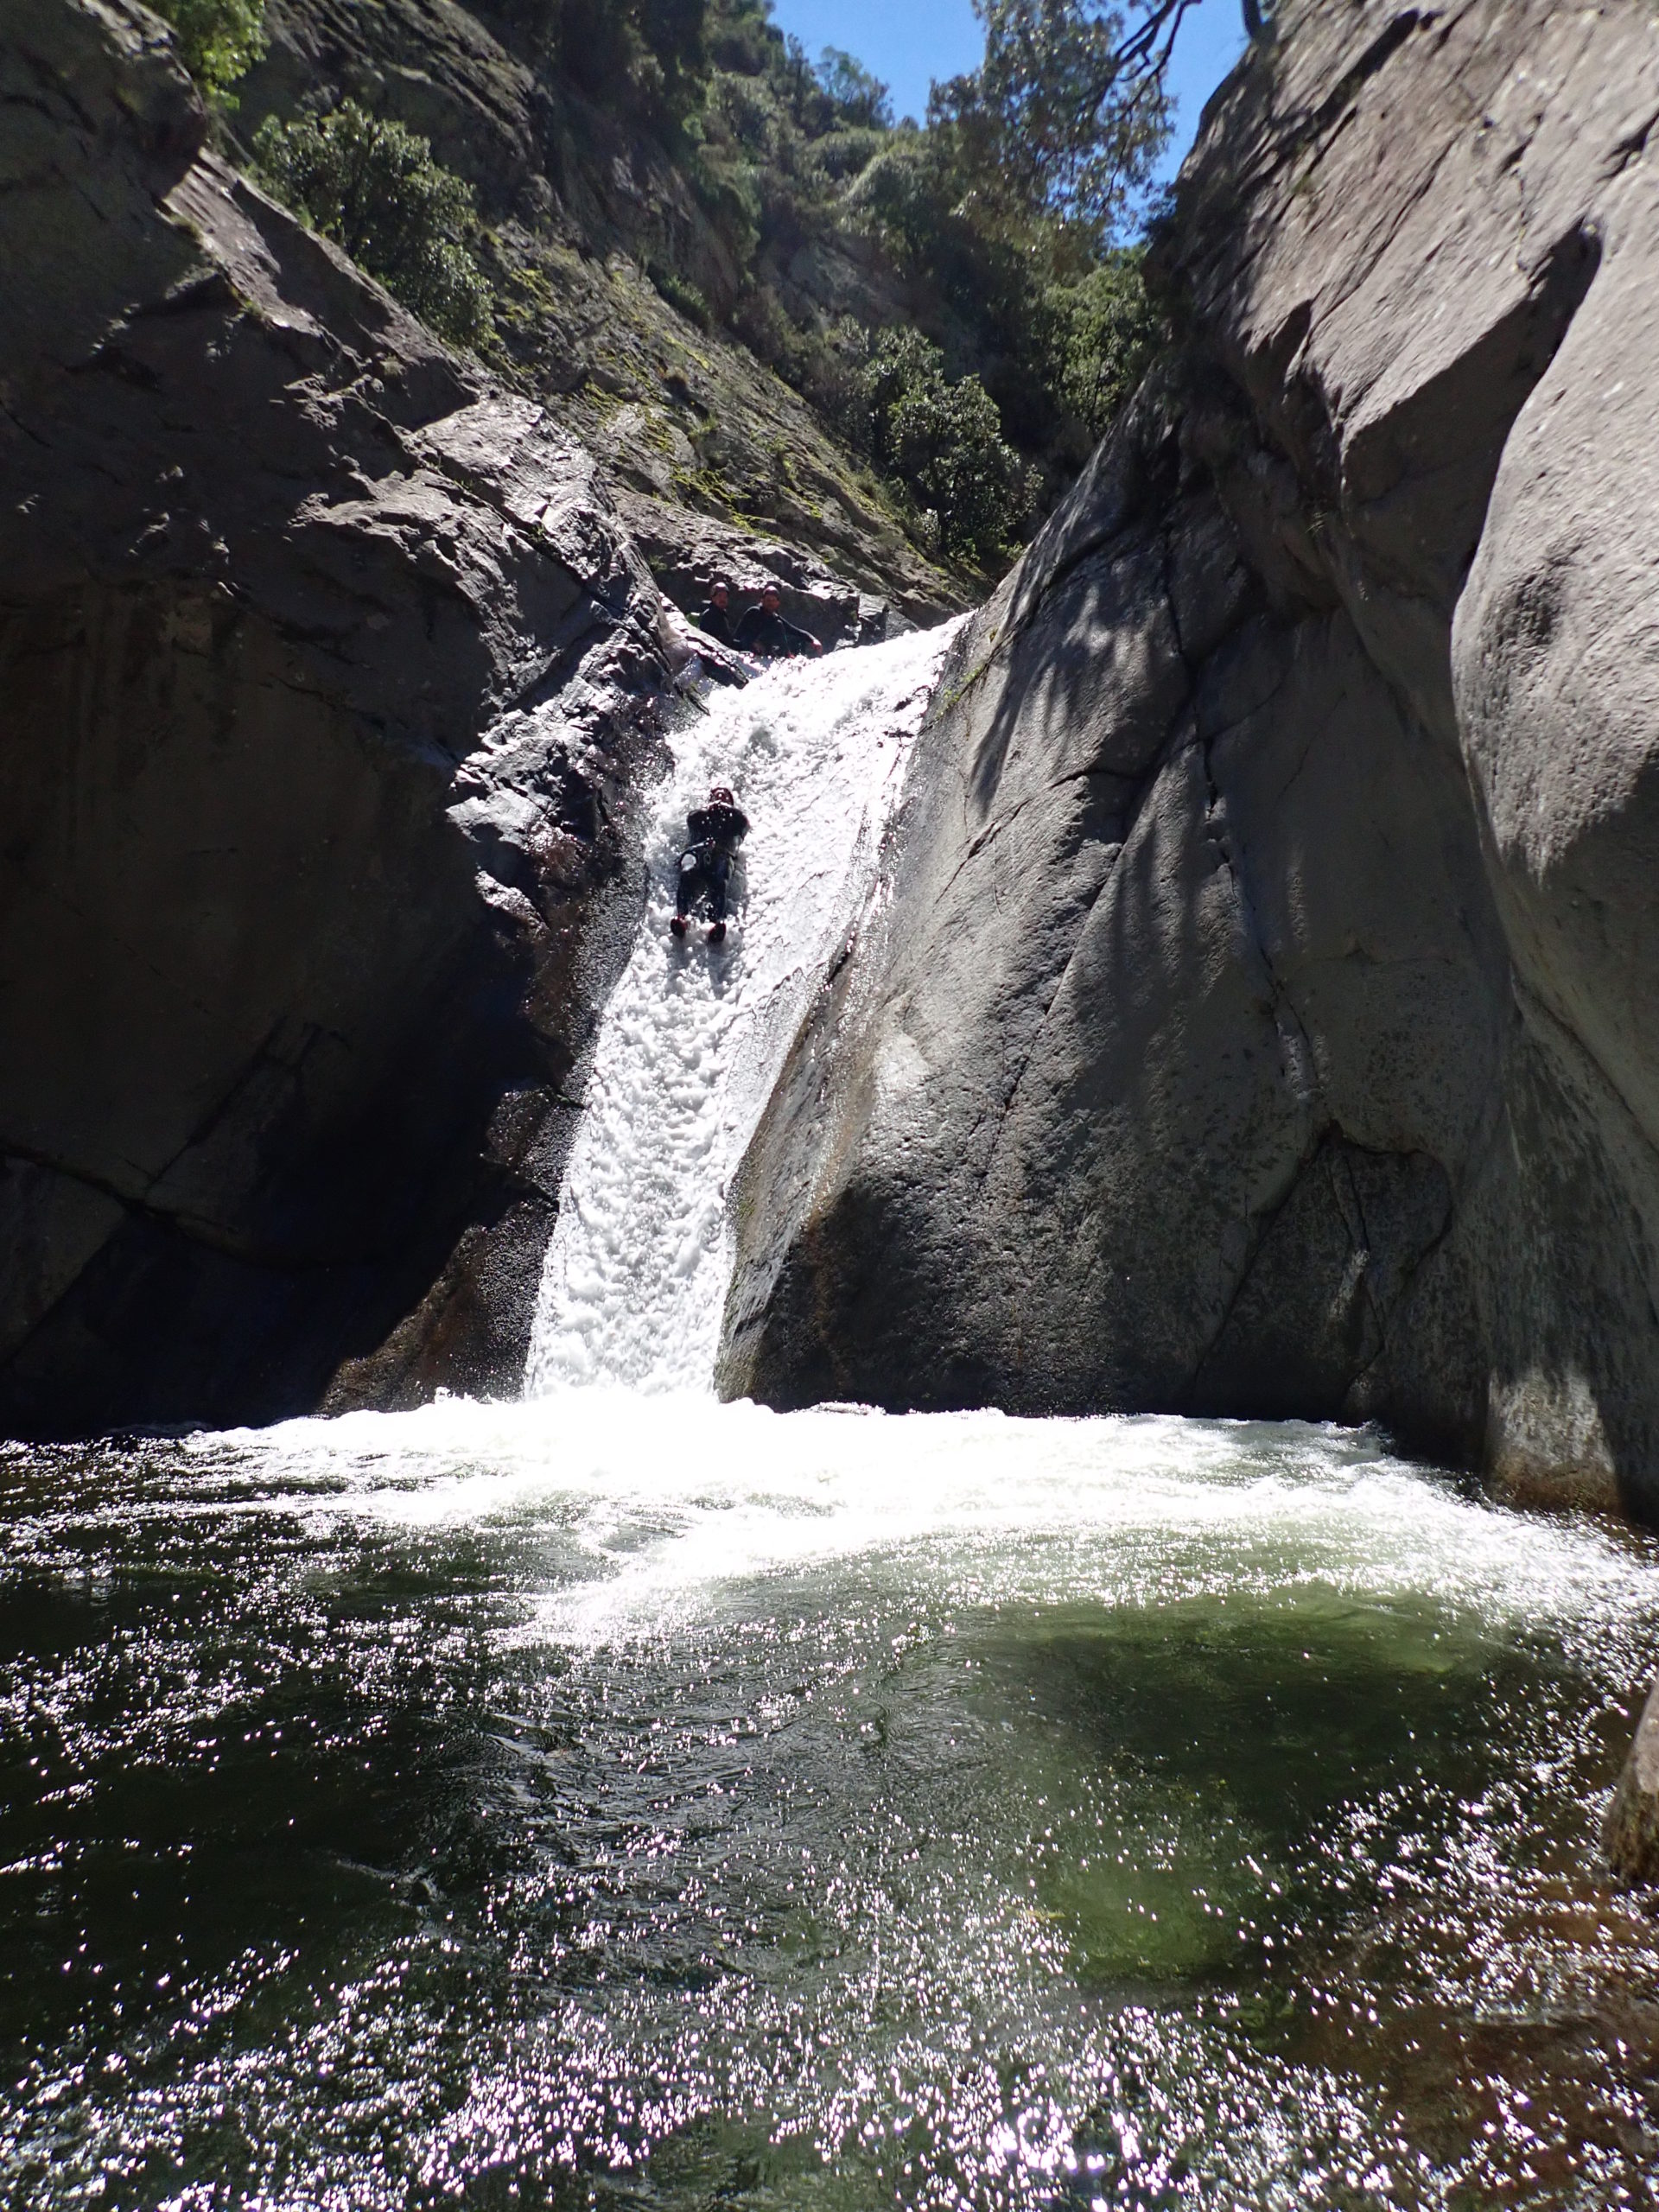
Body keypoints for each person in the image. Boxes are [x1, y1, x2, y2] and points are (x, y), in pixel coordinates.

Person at [671, 784, 750, 944]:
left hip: (721, 855)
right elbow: (692, 819)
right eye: (717, 795)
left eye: (724, 796)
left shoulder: (736, 819)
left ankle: (716, 922)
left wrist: (726, 809)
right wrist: (709, 809)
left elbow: (743, 826)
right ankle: (682, 917)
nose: (720, 798)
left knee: (720, 883)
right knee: (687, 872)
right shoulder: (699, 817)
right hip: (697, 851)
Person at [734, 580, 823, 659]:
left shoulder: (774, 617)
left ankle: (787, 655)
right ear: (762, 600)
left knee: (781, 626)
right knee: (778, 625)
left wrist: (813, 640)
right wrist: (752, 643)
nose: (770, 603)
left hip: (762, 651)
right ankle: (786, 654)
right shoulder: (754, 612)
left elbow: (794, 631)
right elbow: (739, 634)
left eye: (773, 601)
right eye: (768, 600)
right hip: (744, 647)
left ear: (777, 603)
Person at [695, 578, 734, 648]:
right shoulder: (709, 615)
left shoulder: (722, 614)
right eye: (719, 596)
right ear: (713, 598)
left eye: (725, 597)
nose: (723, 599)